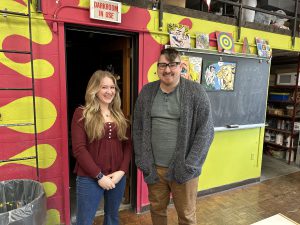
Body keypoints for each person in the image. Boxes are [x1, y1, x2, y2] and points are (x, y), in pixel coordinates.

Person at [133, 48, 214, 225]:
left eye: (172, 65)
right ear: (157, 67)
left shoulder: (196, 92)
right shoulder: (147, 92)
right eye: (163, 65)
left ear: (181, 67)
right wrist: (142, 159)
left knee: (186, 215)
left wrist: (189, 165)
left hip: (184, 170)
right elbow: (137, 127)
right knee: (157, 210)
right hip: (155, 169)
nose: (167, 70)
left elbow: (206, 132)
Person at [71, 70, 132, 225]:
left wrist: (122, 171)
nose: (109, 91)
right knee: (85, 221)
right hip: (89, 177)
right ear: (94, 89)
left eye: (112, 87)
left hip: (116, 177)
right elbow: (79, 149)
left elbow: (128, 145)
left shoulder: (119, 114)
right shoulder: (82, 114)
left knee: (112, 218)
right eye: (104, 87)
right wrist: (99, 176)